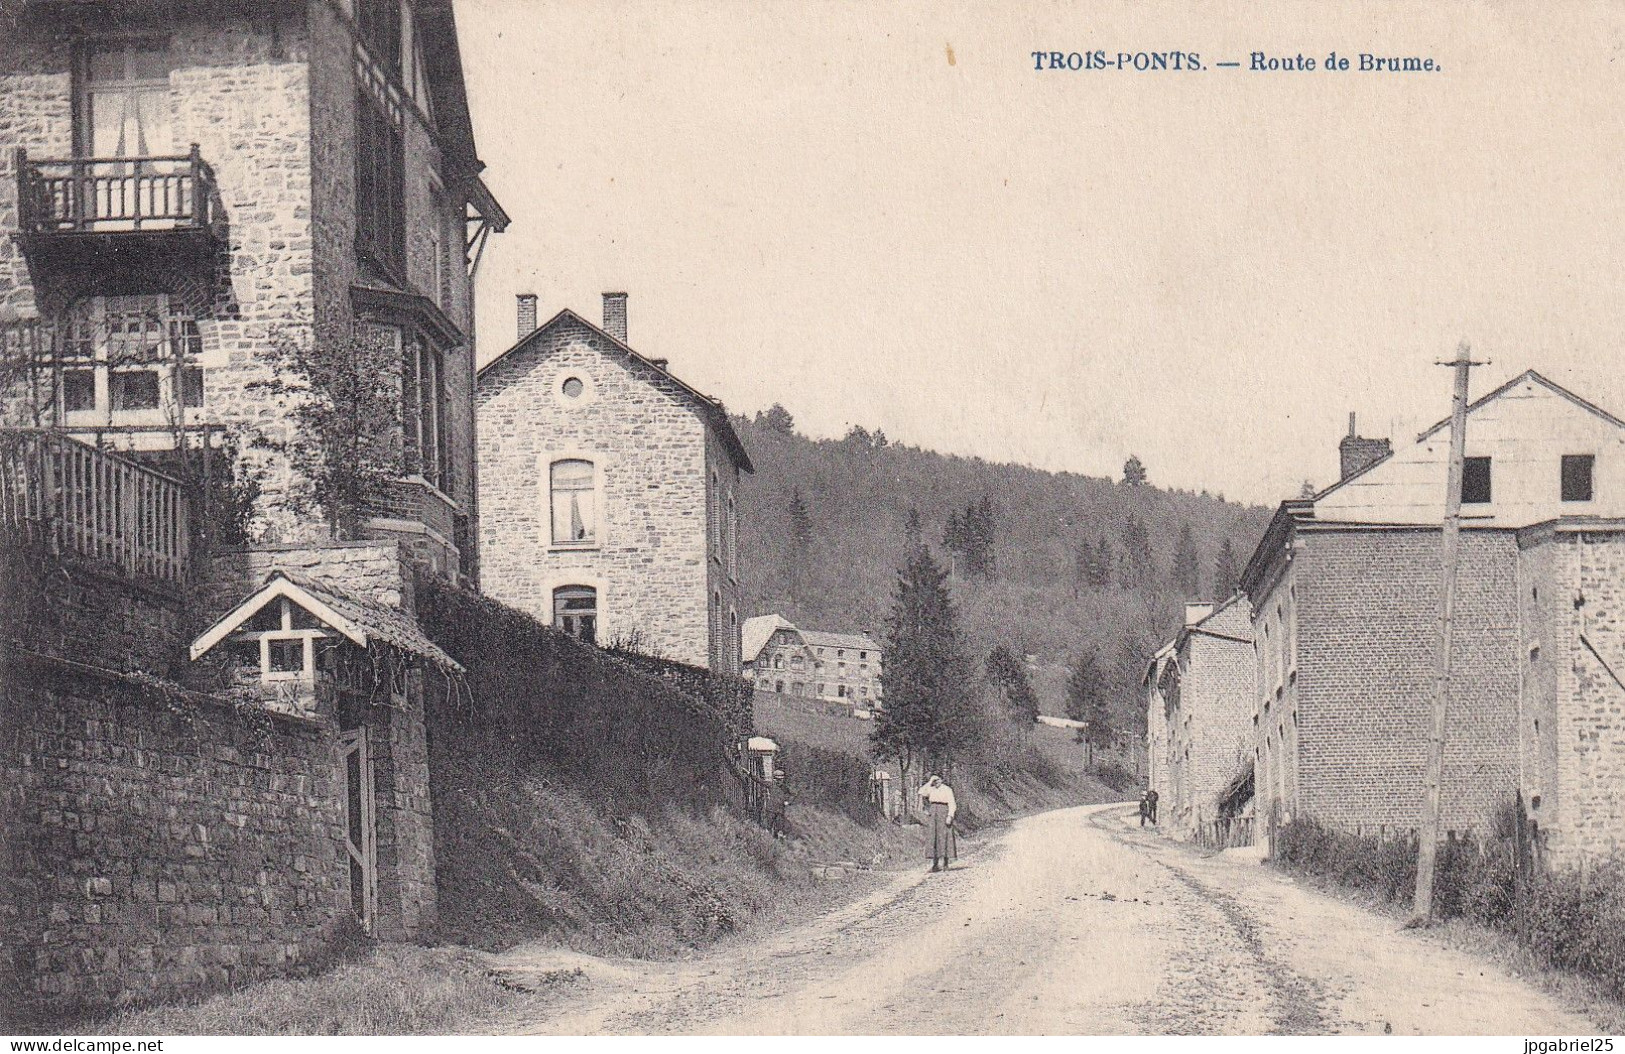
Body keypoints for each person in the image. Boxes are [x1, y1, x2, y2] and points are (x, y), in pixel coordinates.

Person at [918, 774, 957, 872]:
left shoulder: (947, 789)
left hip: (943, 811)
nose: (936, 782)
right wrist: (929, 782)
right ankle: (935, 864)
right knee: (933, 837)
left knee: (944, 836)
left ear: (942, 780)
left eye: (938, 780)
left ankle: (945, 863)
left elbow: (952, 803)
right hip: (933, 813)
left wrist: (950, 816)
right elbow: (921, 792)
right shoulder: (931, 789)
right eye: (935, 780)